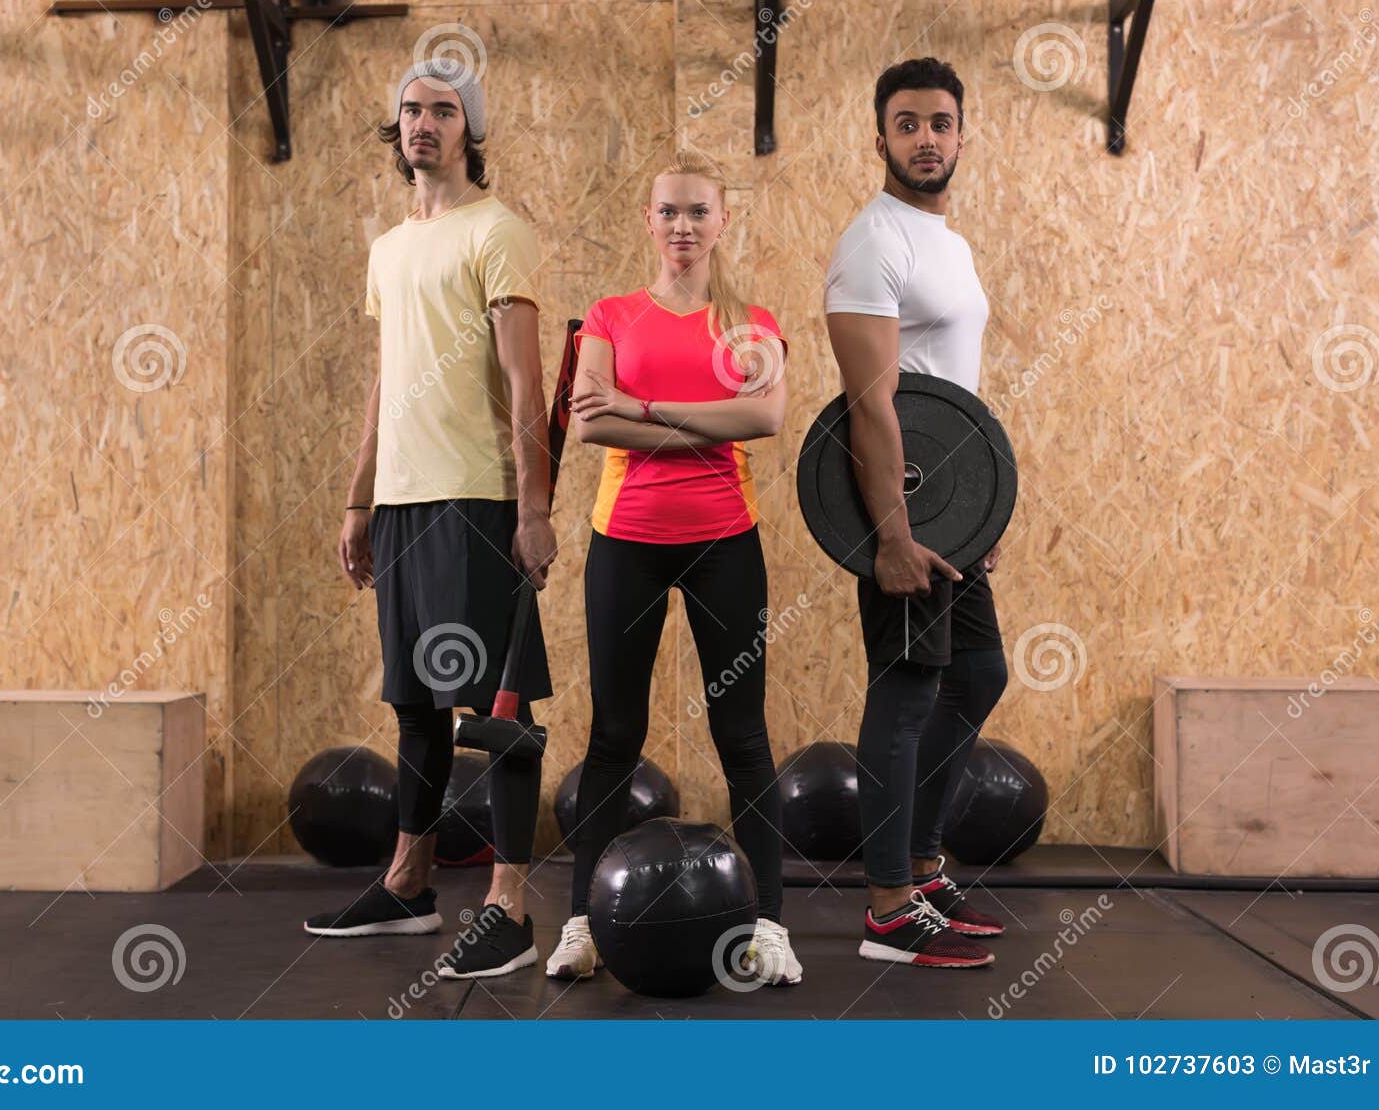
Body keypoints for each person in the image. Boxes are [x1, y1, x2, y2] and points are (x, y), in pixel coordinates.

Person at [303, 56, 558, 980]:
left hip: (479, 497)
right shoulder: (387, 248)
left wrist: (533, 505)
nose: (423, 124)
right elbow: (384, 377)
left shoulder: (498, 232)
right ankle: (408, 884)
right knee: (414, 700)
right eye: (410, 110)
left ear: (469, 129)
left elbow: (527, 381)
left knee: (499, 707)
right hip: (405, 499)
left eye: (443, 111)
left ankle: (510, 905)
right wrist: (358, 495)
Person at [543, 149, 801, 986]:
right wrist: (702, 424)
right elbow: (588, 426)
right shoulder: (610, 314)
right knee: (615, 735)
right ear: (648, 222)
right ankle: (582, 921)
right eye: (668, 212)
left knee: (744, 737)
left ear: (722, 221)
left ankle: (769, 925)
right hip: (627, 537)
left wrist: (643, 408)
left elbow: (762, 413)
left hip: (726, 535)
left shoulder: (750, 322)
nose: (683, 226)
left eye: (698, 211)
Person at [823, 57, 1010, 969]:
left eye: (941, 122)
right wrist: (891, 534)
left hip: (951, 508)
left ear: (962, 134)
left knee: (977, 673)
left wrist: (981, 514)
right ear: (880, 136)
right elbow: (872, 402)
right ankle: (889, 906)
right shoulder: (873, 239)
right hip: (898, 510)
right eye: (907, 123)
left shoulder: (951, 242)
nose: (926, 138)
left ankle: (924, 866)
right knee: (904, 693)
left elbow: (956, 397)